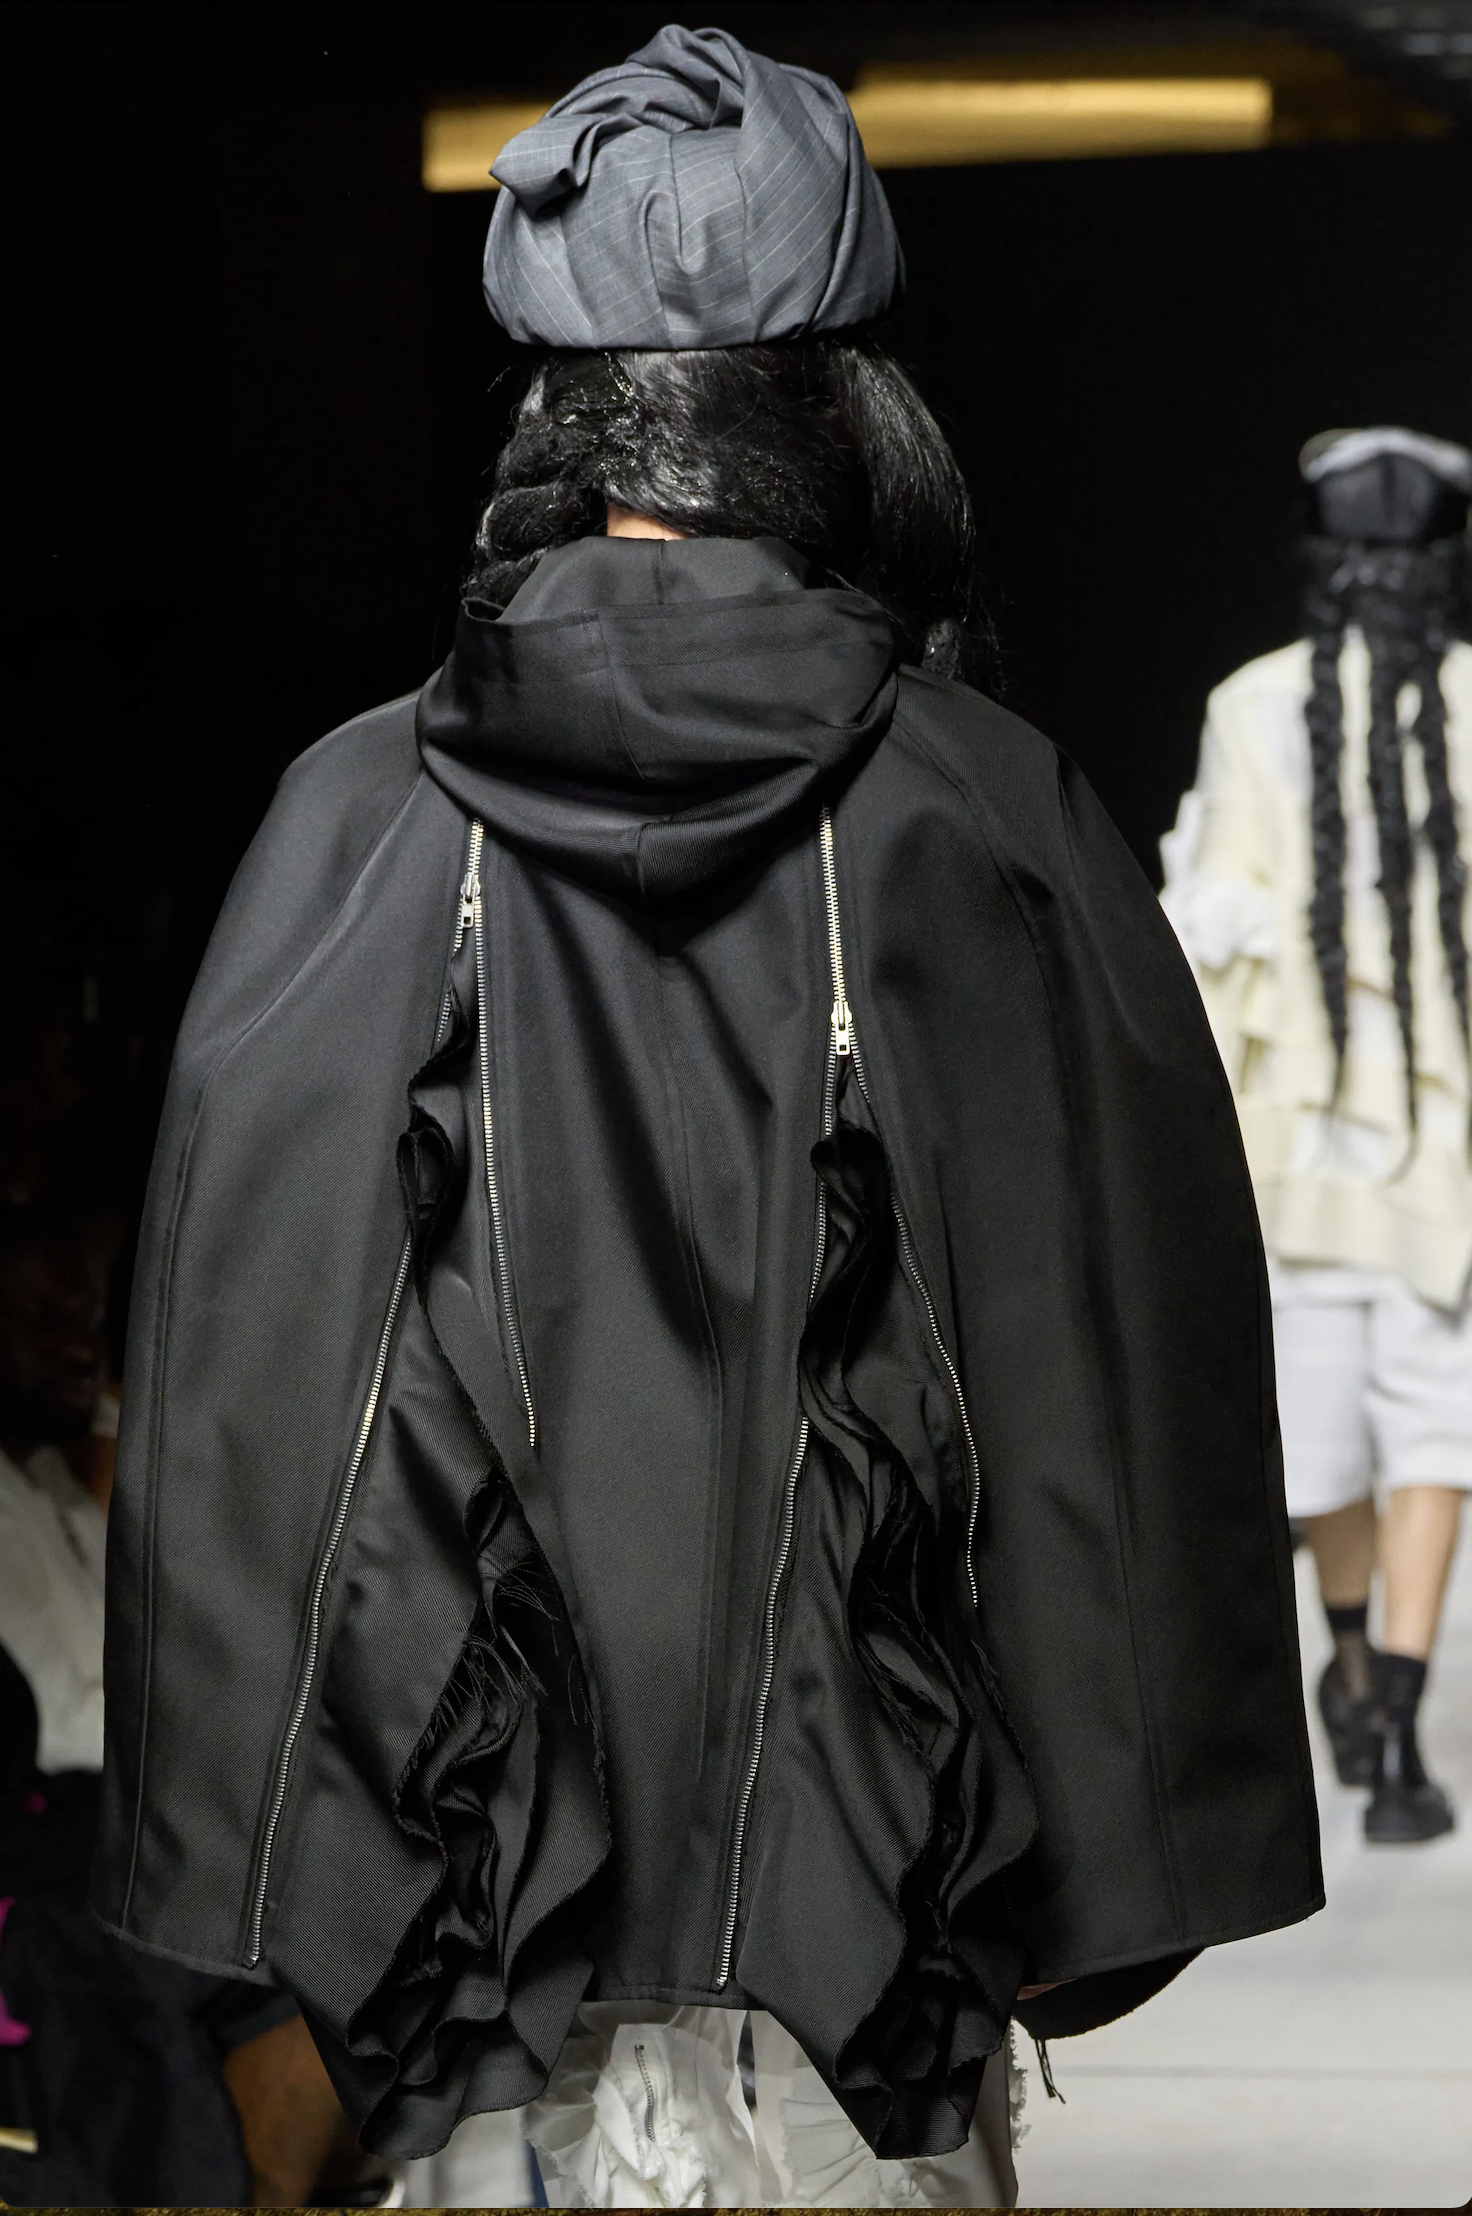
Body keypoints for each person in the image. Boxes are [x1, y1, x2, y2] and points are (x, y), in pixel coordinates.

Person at [94, 25, 1322, 2210]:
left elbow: (241, 1415)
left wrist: (286, 1926)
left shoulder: (351, 834)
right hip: (878, 1981)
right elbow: (1120, 1391)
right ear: (847, 405)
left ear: (551, 417)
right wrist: (1077, 1869)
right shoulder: (983, 822)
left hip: (475, 1981)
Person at [1162, 425, 1472, 1847]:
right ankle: (1391, 1720)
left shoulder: (1249, 705)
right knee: (1426, 1438)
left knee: (1331, 1448)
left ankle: (1359, 1675)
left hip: (1293, 1146)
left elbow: (1210, 936)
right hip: (1437, 1147)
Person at [0, 1209, 370, 2206]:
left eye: (85, 1317)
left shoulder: (59, 1496)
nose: (75, 1341)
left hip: (147, 1858)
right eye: (41, 1316)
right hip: (65, 1878)